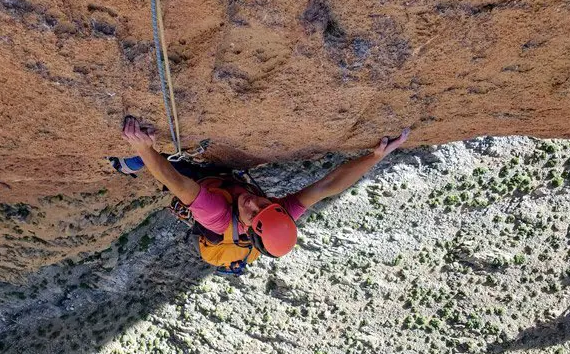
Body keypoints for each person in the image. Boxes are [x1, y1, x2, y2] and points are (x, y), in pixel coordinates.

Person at [118, 116, 409, 274]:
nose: (254, 202)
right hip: (225, 179)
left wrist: (144, 149)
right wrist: (374, 157)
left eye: (253, 213)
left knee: (170, 163)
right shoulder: (274, 215)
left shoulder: (217, 216)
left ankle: (126, 165)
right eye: (264, 205)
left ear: (249, 227)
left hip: (205, 186)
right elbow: (327, 186)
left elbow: (179, 184)